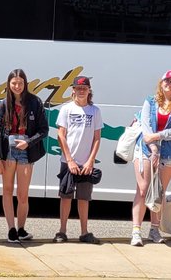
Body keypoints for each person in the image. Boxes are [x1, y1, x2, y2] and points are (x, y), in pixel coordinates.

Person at [130, 70, 171, 246]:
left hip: (170, 154)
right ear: (161, 83)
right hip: (146, 151)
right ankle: (136, 231)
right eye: (167, 81)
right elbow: (146, 127)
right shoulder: (149, 101)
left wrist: (158, 136)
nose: (169, 84)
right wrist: (154, 148)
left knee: (159, 192)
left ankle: (154, 230)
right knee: (143, 190)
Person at [0, 68, 49, 243]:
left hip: (26, 150)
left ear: (25, 83)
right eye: (14, 83)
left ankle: (21, 228)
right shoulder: (3, 104)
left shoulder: (35, 102)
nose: (17, 86)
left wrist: (28, 142)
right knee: (7, 190)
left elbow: (44, 130)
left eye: (20, 83)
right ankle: (11, 229)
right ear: (9, 84)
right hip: (8, 151)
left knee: (23, 194)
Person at [54, 76, 103, 244]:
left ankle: (84, 232)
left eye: (84, 88)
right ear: (73, 90)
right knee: (65, 196)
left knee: (84, 198)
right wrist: (69, 160)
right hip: (68, 161)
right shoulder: (66, 109)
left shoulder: (94, 111)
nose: (81, 91)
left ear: (89, 90)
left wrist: (90, 161)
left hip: (86, 162)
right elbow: (61, 135)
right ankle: (62, 231)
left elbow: (97, 138)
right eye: (78, 88)